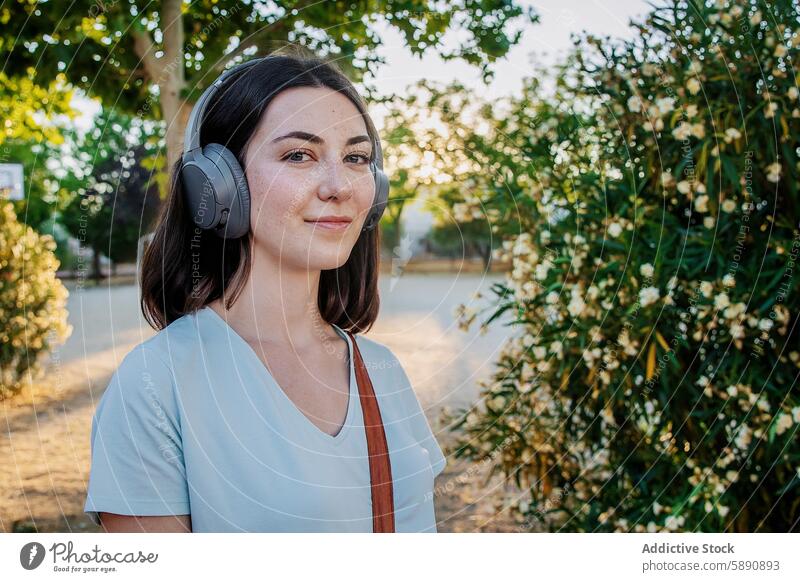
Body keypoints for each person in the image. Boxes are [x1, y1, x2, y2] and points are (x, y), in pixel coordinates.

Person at [83, 51, 446, 533]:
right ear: (217, 184)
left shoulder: (382, 371)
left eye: (356, 158)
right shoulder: (156, 384)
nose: (339, 186)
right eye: (299, 155)